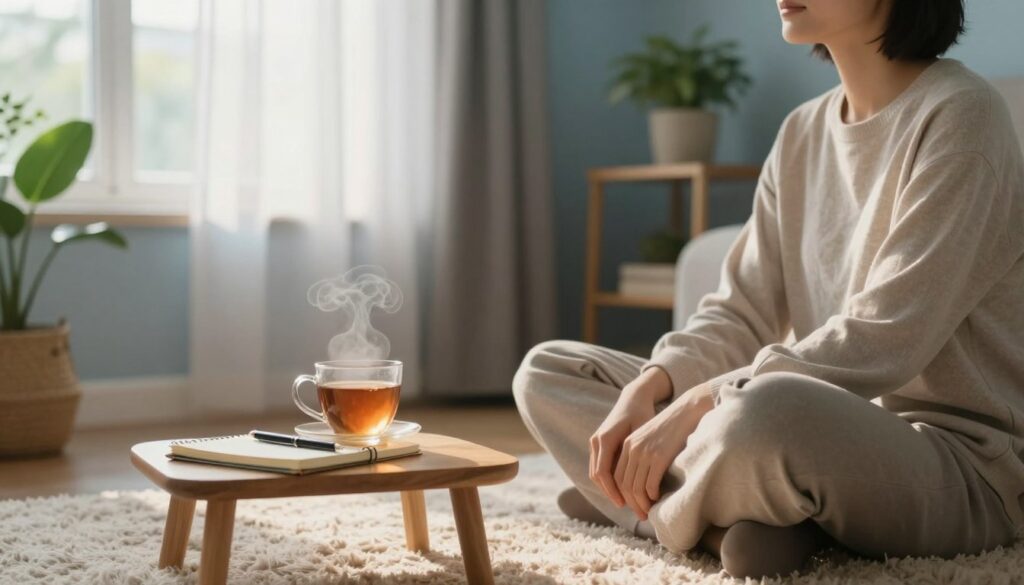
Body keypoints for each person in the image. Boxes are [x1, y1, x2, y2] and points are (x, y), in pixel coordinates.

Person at [513, 0, 1024, 579]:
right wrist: (652, 386)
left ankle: (644, 512)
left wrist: (696, 403)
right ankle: (735, 522)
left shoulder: (963, 116)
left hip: (960, 464)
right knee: (548, 372)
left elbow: (888, 336)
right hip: (816, 434)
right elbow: (740, 310)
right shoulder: (802, 131)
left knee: (761, 412)